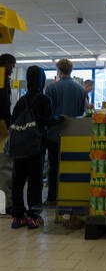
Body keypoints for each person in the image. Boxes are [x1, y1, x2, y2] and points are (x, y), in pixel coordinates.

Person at [11, 66, 63, 229]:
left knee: (18, 181)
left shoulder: (21, 101)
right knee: (35, 181)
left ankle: (18, 217)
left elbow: (14, 120)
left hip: (19, 147)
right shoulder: (44, 99)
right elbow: (47, 120)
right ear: (41, 79)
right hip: (35, 146)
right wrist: (60, 118)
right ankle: (33, 216)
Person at [45, 59, 86, 204]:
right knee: (72, 166)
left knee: (54, 167)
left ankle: (52, 198)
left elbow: (48, 114)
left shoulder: (51, 89)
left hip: (54, 135)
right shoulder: (81, 90)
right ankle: (71, 197)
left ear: (59, 71)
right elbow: (82, 113)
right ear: (71, 70)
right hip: (74, 136)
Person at [0, 54, 16, 129]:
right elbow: (4, 100)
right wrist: (8, 120)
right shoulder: (3, 77)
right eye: (12, 66)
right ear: (6, 63)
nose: (12, 70)